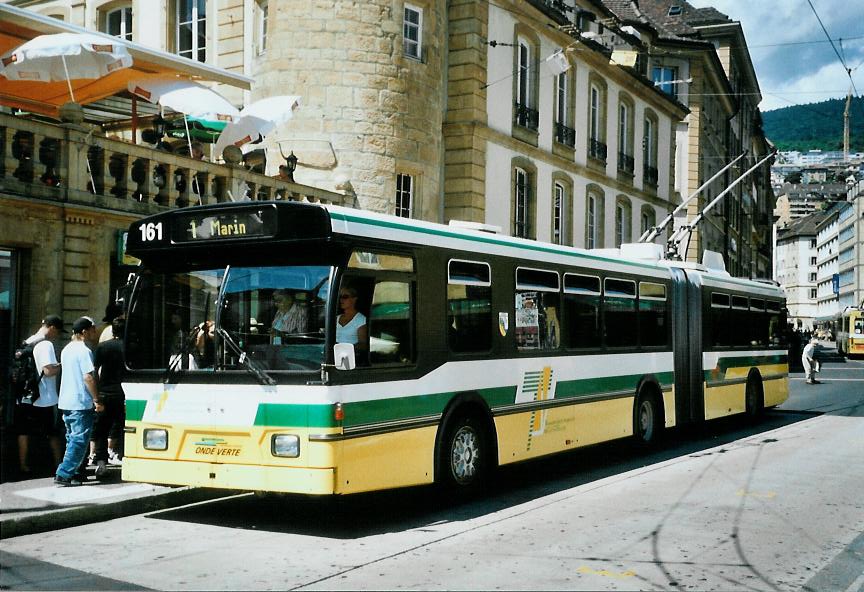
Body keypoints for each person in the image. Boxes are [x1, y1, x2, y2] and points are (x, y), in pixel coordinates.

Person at [15, 315, 66, 475]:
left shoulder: (28, 341)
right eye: (58, 331)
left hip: (25, 394)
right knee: (52, 432)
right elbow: (48, 370)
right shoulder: (46, 344)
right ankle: (59, 465)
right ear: (52, 328)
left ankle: (23, 466)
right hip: (44, 397)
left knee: (24, 431)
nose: (57, 335)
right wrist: (61, 365)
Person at [55, 317, 102, 487]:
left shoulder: (66, 349)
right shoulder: (84, 351)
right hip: (80, 401)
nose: (94, 332)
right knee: (79, 440)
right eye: (92, 329)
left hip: (66, 401)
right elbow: (88, 377)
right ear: (84, 331)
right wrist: (96, 399)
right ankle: (64, 473)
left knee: (71, 439)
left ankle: (74, 472)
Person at [92, 317, 127, 476]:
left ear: (112, 330)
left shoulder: (102, 347)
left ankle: (101, 461)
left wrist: (97, 391)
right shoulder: (130, 347)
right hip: (124, 392)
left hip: (105, 391)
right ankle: (120, 454)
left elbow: (95, 371)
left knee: (102, 428)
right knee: (123, 426)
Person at [336, 285, 367, 353]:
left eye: (345, 297)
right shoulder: (336, 318)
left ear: (354, 299)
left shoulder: (361, 320)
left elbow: (363, 344)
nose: (341, 300)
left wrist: (345, 349)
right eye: (340, 297)